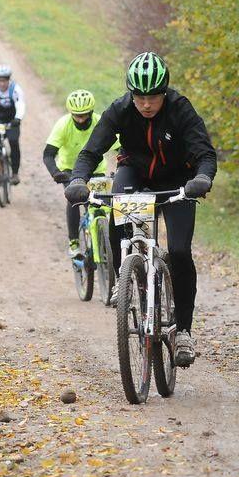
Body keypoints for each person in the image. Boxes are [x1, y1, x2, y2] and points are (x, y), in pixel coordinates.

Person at [65, 52, 216, 368]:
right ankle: (124, 278)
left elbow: (205, 153)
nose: (146, 104)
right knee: (114, 214)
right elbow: (91, 151)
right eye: (139, 97)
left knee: (179, 251)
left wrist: (202, 178)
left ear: (165, 92)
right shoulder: (120, 110)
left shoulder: (181, 109)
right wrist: (78, 178)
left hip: (178, 182)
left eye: (153, 97)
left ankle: (184, 331)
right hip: (134, 173)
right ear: (131, 93)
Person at [43, 90, 118, 255]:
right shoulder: (63, 125)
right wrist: (56, 173)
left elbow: (119, 148)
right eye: (77, 115)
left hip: (95, 169)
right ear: (71, 113)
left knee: (104, 203)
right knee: (74, 200)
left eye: (85, 115)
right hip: (70, 171)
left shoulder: (100, 122)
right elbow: (48, 154)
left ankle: (107, 236)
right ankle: (74, 242)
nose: (81, 119)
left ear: (91, 112)